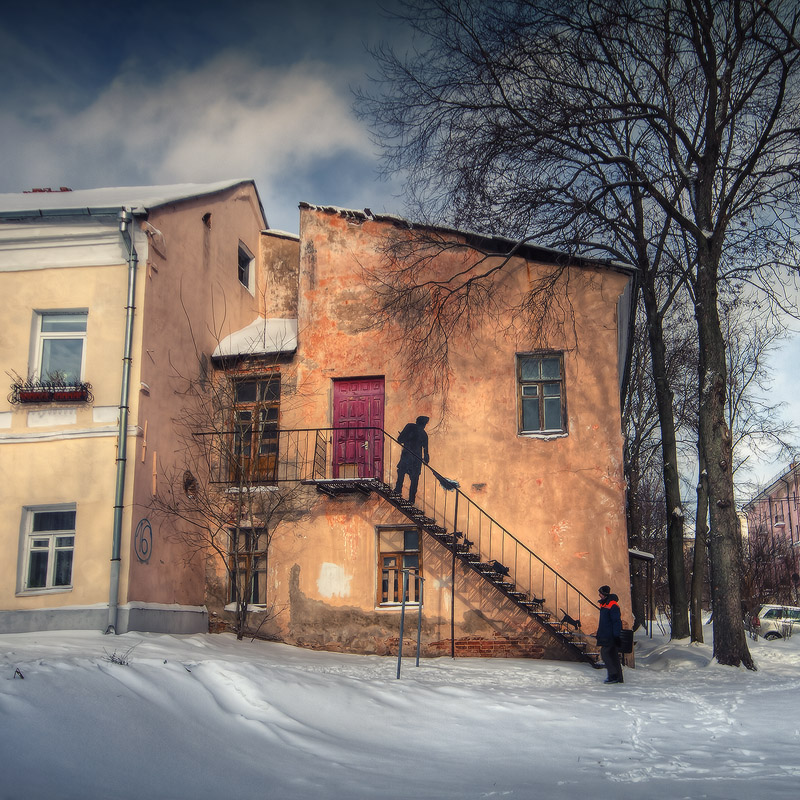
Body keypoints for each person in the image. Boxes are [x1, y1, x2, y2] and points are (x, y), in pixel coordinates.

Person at [394, 416, 429, 504]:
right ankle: (411, 500)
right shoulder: (424, 434)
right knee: (414, 479)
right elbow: (426, 452)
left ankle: (398, 490)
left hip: (407, 456)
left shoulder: (409, 426)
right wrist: (426, 460)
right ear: (424, 424)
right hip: (417, 460)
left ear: (417, 421)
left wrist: (403, 438)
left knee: (401, 472)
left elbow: (400, 439)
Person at [595, 585, 623, 684]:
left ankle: (613, 675)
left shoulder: (612, 605)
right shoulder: (604, 604)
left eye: (600, 593)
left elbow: (616, 621)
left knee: (605, 653)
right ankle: (618, 677)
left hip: (610, 635)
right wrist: (599, 634)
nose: (599, 595)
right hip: (606, 634)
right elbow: (603, 622)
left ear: (605, 594)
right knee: (613, 655)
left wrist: (616, 636)